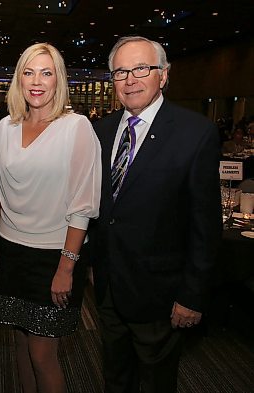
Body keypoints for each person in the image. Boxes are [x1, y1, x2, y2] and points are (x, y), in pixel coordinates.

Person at [89, 36, 221, 393]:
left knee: (156, 383)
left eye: (141, 69)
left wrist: (192, 295)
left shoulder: (196, 134)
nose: (130, 79)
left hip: (161, 296)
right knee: (115, 378)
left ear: (163, 75)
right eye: (120, 71)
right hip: (108, 289)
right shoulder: (99, 131)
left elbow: (205, 225)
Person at [0, 43, 101, 393]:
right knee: (21, 345)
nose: (37, 81)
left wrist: (66, 267)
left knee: (43, 354)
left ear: (59, 81)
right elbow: (1, 192)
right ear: (18, 79)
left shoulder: (76, 127)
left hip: (54, 257)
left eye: (46, 72)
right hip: (11, 251)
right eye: (29, 72)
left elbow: (83, 205)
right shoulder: (6, 126)